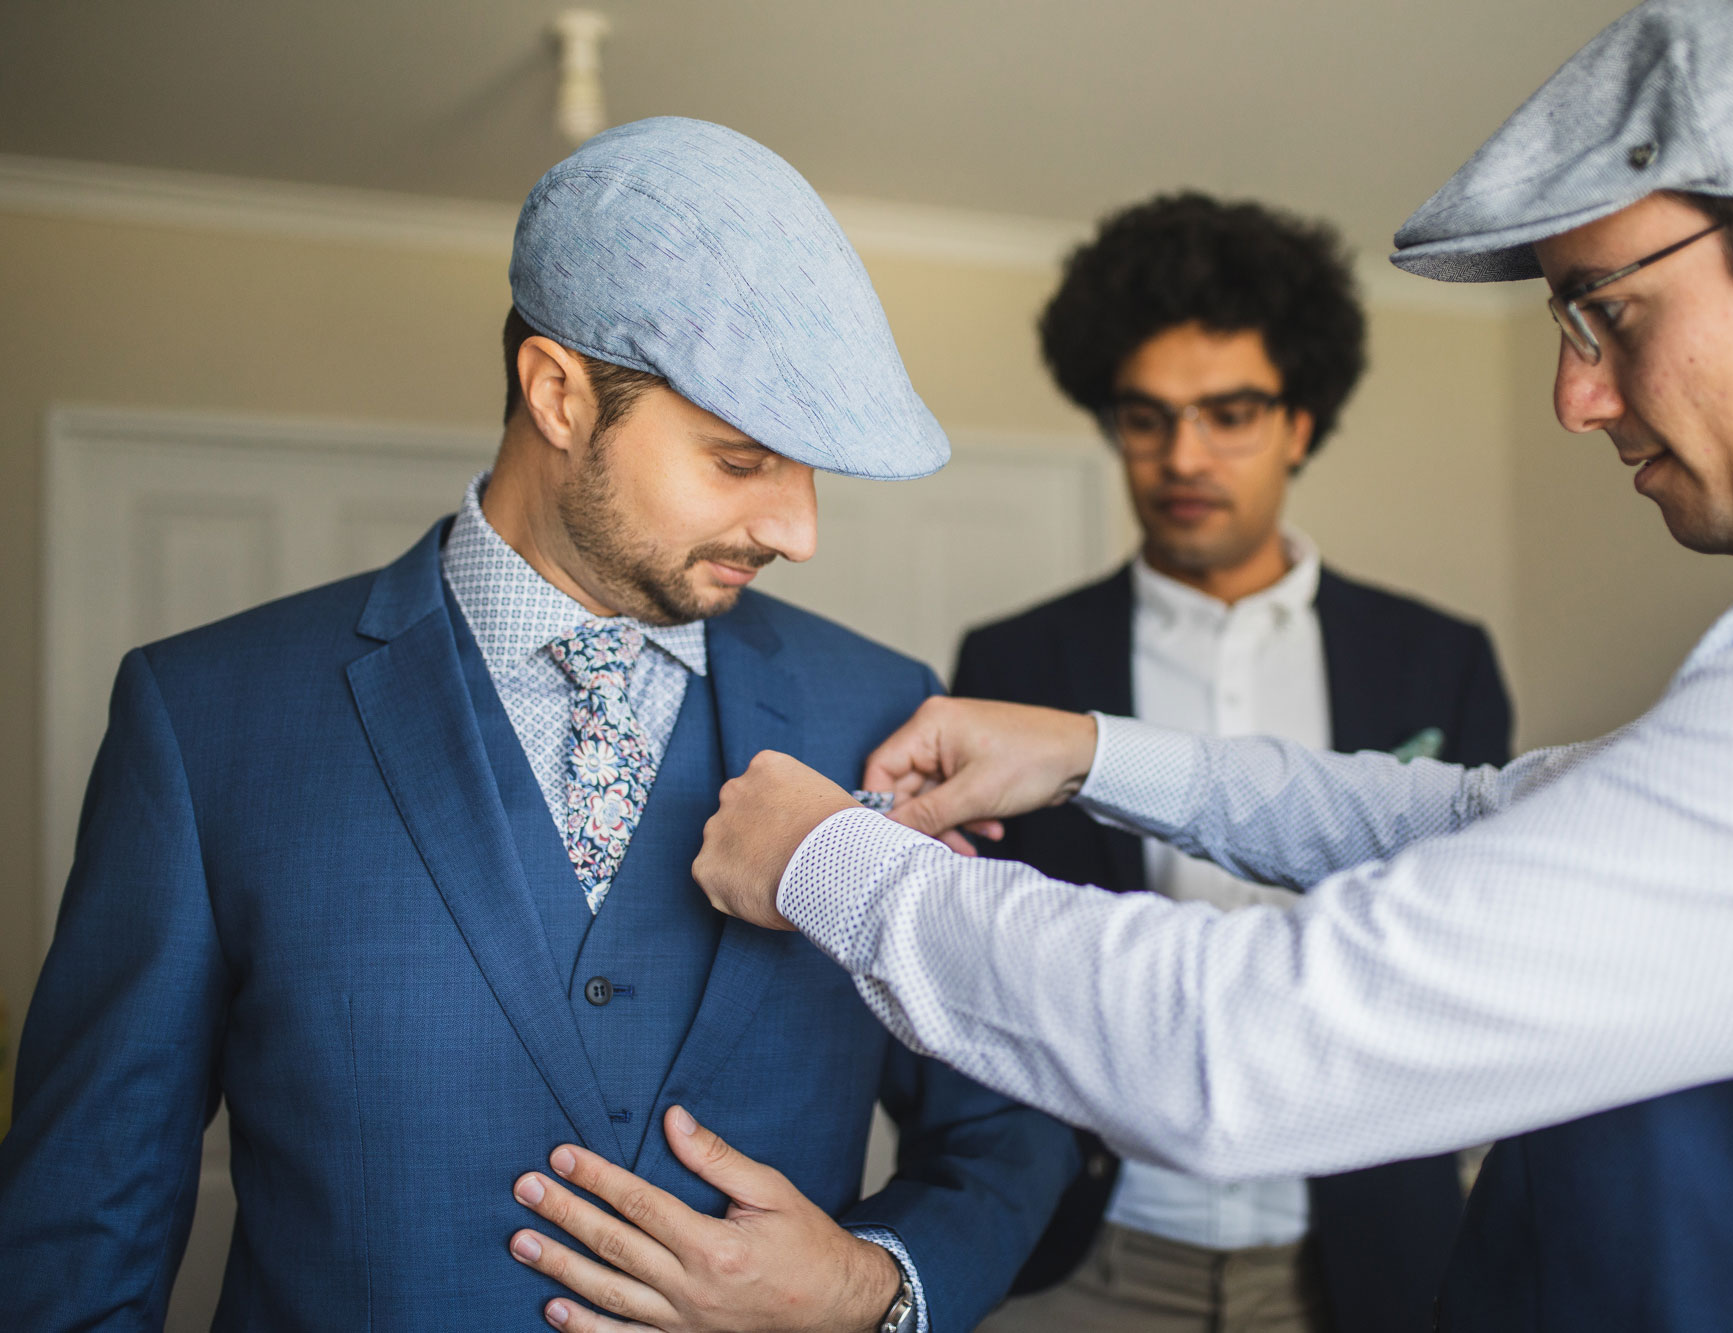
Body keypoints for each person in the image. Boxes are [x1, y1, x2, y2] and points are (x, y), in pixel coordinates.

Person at [655, 2, 1733, 1330]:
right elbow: (1481, 819)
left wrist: (827, 860)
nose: (1576, 395)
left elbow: (1242, 1049)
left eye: (1605, 310)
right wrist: (1096, 752)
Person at [0, 117, 1076, 1333]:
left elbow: (1005, 1125)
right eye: (740, 461)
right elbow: (86, 1221)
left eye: (812, 474)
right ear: (558, 394)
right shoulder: (204, 721)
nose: (799, 531)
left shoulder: (875, 710)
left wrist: (875, 1286)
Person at [958, 193, 1511, 1333]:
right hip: (1092, 1247)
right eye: (1146, 418)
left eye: (1230, 413)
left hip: (1359, 1255)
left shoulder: (1435, 660)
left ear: (1300, 421)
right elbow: (987, 939)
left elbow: (1462, 934)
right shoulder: (1014, 659)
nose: (1182, 456)